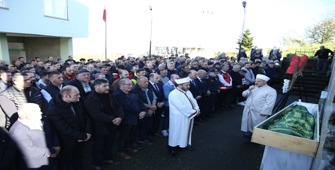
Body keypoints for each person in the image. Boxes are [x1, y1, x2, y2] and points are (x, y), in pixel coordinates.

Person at [47, 86, 92, 170]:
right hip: (67, 141)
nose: (79, 96)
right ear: (66, 96)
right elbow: (62, 127)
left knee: (79, 160)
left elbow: (86, 117)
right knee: (66, 162)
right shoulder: (53, 109)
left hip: (81, 137)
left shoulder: (77, 102)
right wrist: (82, 136)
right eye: (76, 95)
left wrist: (87, 132)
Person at [84, 78, 124, 169]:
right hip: (99, 127)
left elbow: (118, 106)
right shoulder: (90, 99)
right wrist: (114, 119)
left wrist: (120, 117)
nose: (107, 87)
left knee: (109, 143)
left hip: (113, 124)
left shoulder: (110, 94)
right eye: (104, 86)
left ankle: (107, 158)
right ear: (96, 87)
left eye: (108, 85)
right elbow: (96, 114)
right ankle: (96, 163)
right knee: (98, 146)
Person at [9, 103, 56, 170]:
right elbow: (29, 151)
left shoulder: (35, 121)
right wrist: (52, 150)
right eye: (38, 111)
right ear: (28, 116)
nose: (41, 112)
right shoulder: (18, 131)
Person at [168, 77, 200, 156]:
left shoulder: (188, 91)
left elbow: (193, 100)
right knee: (176, 132)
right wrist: (194, 112)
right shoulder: (173, 94)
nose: (188, 87)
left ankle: (184, 144)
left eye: (189, 85)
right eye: (187, 85)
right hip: (178, 118)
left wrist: (197, 108)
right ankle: (173, 148)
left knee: (186, 131)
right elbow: (181, 107)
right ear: (179, 85)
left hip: (188, 116)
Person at [241, 74, 277, 139]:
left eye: (258, 81)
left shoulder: (271, 90)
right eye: (256, 81)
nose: (256, 83)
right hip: (249, 109)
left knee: (257, 125)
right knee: (248, 123)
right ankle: (250, 134)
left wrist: (265, 112)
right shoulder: (253, 87)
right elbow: (244, 95)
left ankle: (256, 138)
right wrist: (249, 89)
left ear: (264, 82)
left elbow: (270, 103)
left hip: (259, 111)